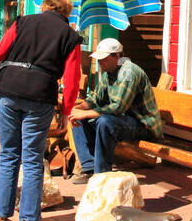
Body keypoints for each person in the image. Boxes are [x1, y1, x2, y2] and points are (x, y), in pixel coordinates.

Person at [0, 0, 82, 221]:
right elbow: (72, 78)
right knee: (33, 157)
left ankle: (0, 214)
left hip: (8, 89)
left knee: (8, 153)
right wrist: (66, 110)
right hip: (40, 96)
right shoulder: (70, 37)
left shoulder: (22, 22)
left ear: (45, 7)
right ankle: (30, 217)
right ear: (66, 13)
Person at [69, 38, 162, 181]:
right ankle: (89, 167)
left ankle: (102, 174)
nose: (100, 63)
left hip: (143, 124)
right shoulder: (109, 71)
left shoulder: (128, 72)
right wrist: (76, 109)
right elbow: (95, 99)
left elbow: (118, 107)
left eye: (103, 59)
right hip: (123, 121)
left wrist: (86, 113)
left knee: (105, 122)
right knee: (78, 117)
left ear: (117, 57)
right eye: (99, 60)